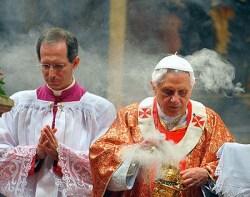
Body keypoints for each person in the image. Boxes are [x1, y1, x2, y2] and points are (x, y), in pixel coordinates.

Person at [89, 54, 235, 197]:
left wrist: (207, 173)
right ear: (154, 87)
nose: (175, 100)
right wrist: (134, 152)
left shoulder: (209, 121)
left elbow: (232, 163)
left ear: (192, 87)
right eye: (168, 92)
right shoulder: (131, 116)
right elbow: (100, 155)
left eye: (182, 92)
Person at [0, 27, 116, 197]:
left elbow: (106, 167)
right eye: (45, 66)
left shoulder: (100, 110)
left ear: (75, 63)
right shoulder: (18, 104)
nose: (51, 74)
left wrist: (61, 155)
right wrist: (35, 154)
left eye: (58, 66)